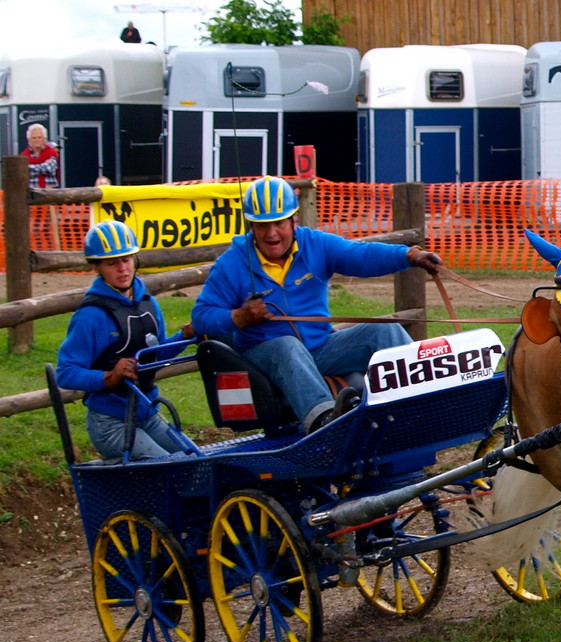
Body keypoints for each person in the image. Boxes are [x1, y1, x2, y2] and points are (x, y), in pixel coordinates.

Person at [192, 176, 442, 434]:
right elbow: (201, 316)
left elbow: (359, 255)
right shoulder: (231, 263)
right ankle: (325, 423)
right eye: (262, 225)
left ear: (294, 220)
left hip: (318, 348)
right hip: (263, 357)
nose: (271, 233)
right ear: (251, 226)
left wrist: (409, 255)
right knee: (286, 346)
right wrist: (238, 318)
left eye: (278, 222)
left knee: (384, 331)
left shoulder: (315, 244)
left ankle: (421, 406)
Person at [57, 221, 195, 460]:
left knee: (197, 459)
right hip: (110, 424)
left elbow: (155, 356)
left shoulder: (147, 302)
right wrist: (108, 377)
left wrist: (185, 337)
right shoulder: (90, 315)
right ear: (96, 267)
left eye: (127, 259)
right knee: (172, 467)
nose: (122, 269)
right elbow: (66, 373)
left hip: (149, 415)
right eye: (112, 263)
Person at [21, 123, 59, 189]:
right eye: (34, 138)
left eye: (39, 137)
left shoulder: (51, 152)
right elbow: (23, 172)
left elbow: (51, 168)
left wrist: (30, 168)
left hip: (50, 191)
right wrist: (44, 166)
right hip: (31, 192)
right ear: (29, 139)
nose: (37, 140)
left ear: (44, 139)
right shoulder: (24, 155)